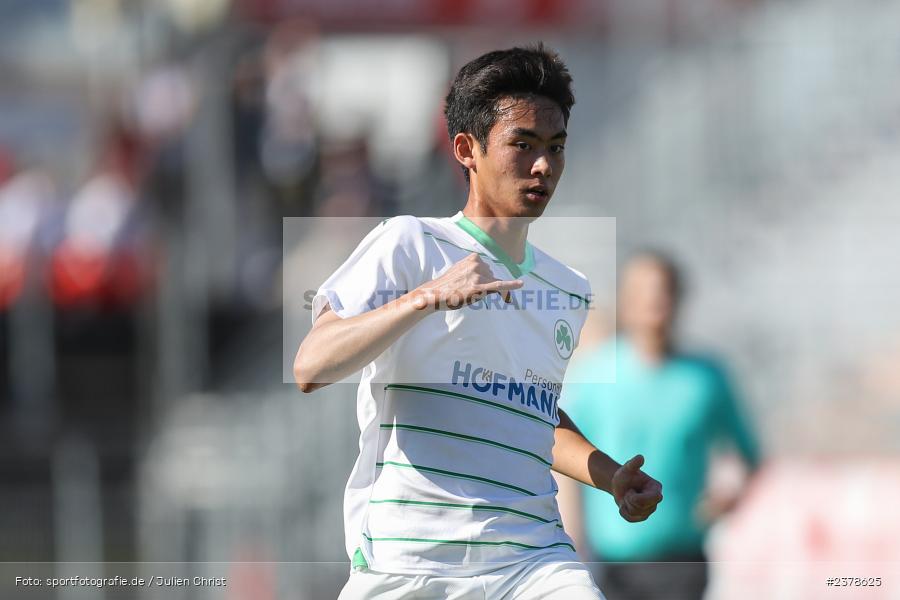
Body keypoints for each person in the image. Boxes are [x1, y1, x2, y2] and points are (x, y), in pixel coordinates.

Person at [293, 44, 663, 600]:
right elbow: (311, 365)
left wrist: (610, 477)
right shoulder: (410, 243)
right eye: (523, 145)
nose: (543, 166)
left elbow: (528, 411)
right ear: (467, 149)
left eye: (556, 148)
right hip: (411, 562)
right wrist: (426, 299)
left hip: (532, 559)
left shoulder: (568, 289)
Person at [558, 252, 760, 600]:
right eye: (643, 292)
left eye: (662, 291)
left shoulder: (706, 377)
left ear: (679, 298)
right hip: (610, 560)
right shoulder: (594, 374)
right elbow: (564, 450)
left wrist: (728, 498)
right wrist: (571, 539)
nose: (654, 301)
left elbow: (750, 454)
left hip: (682, 559)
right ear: (627, 300)